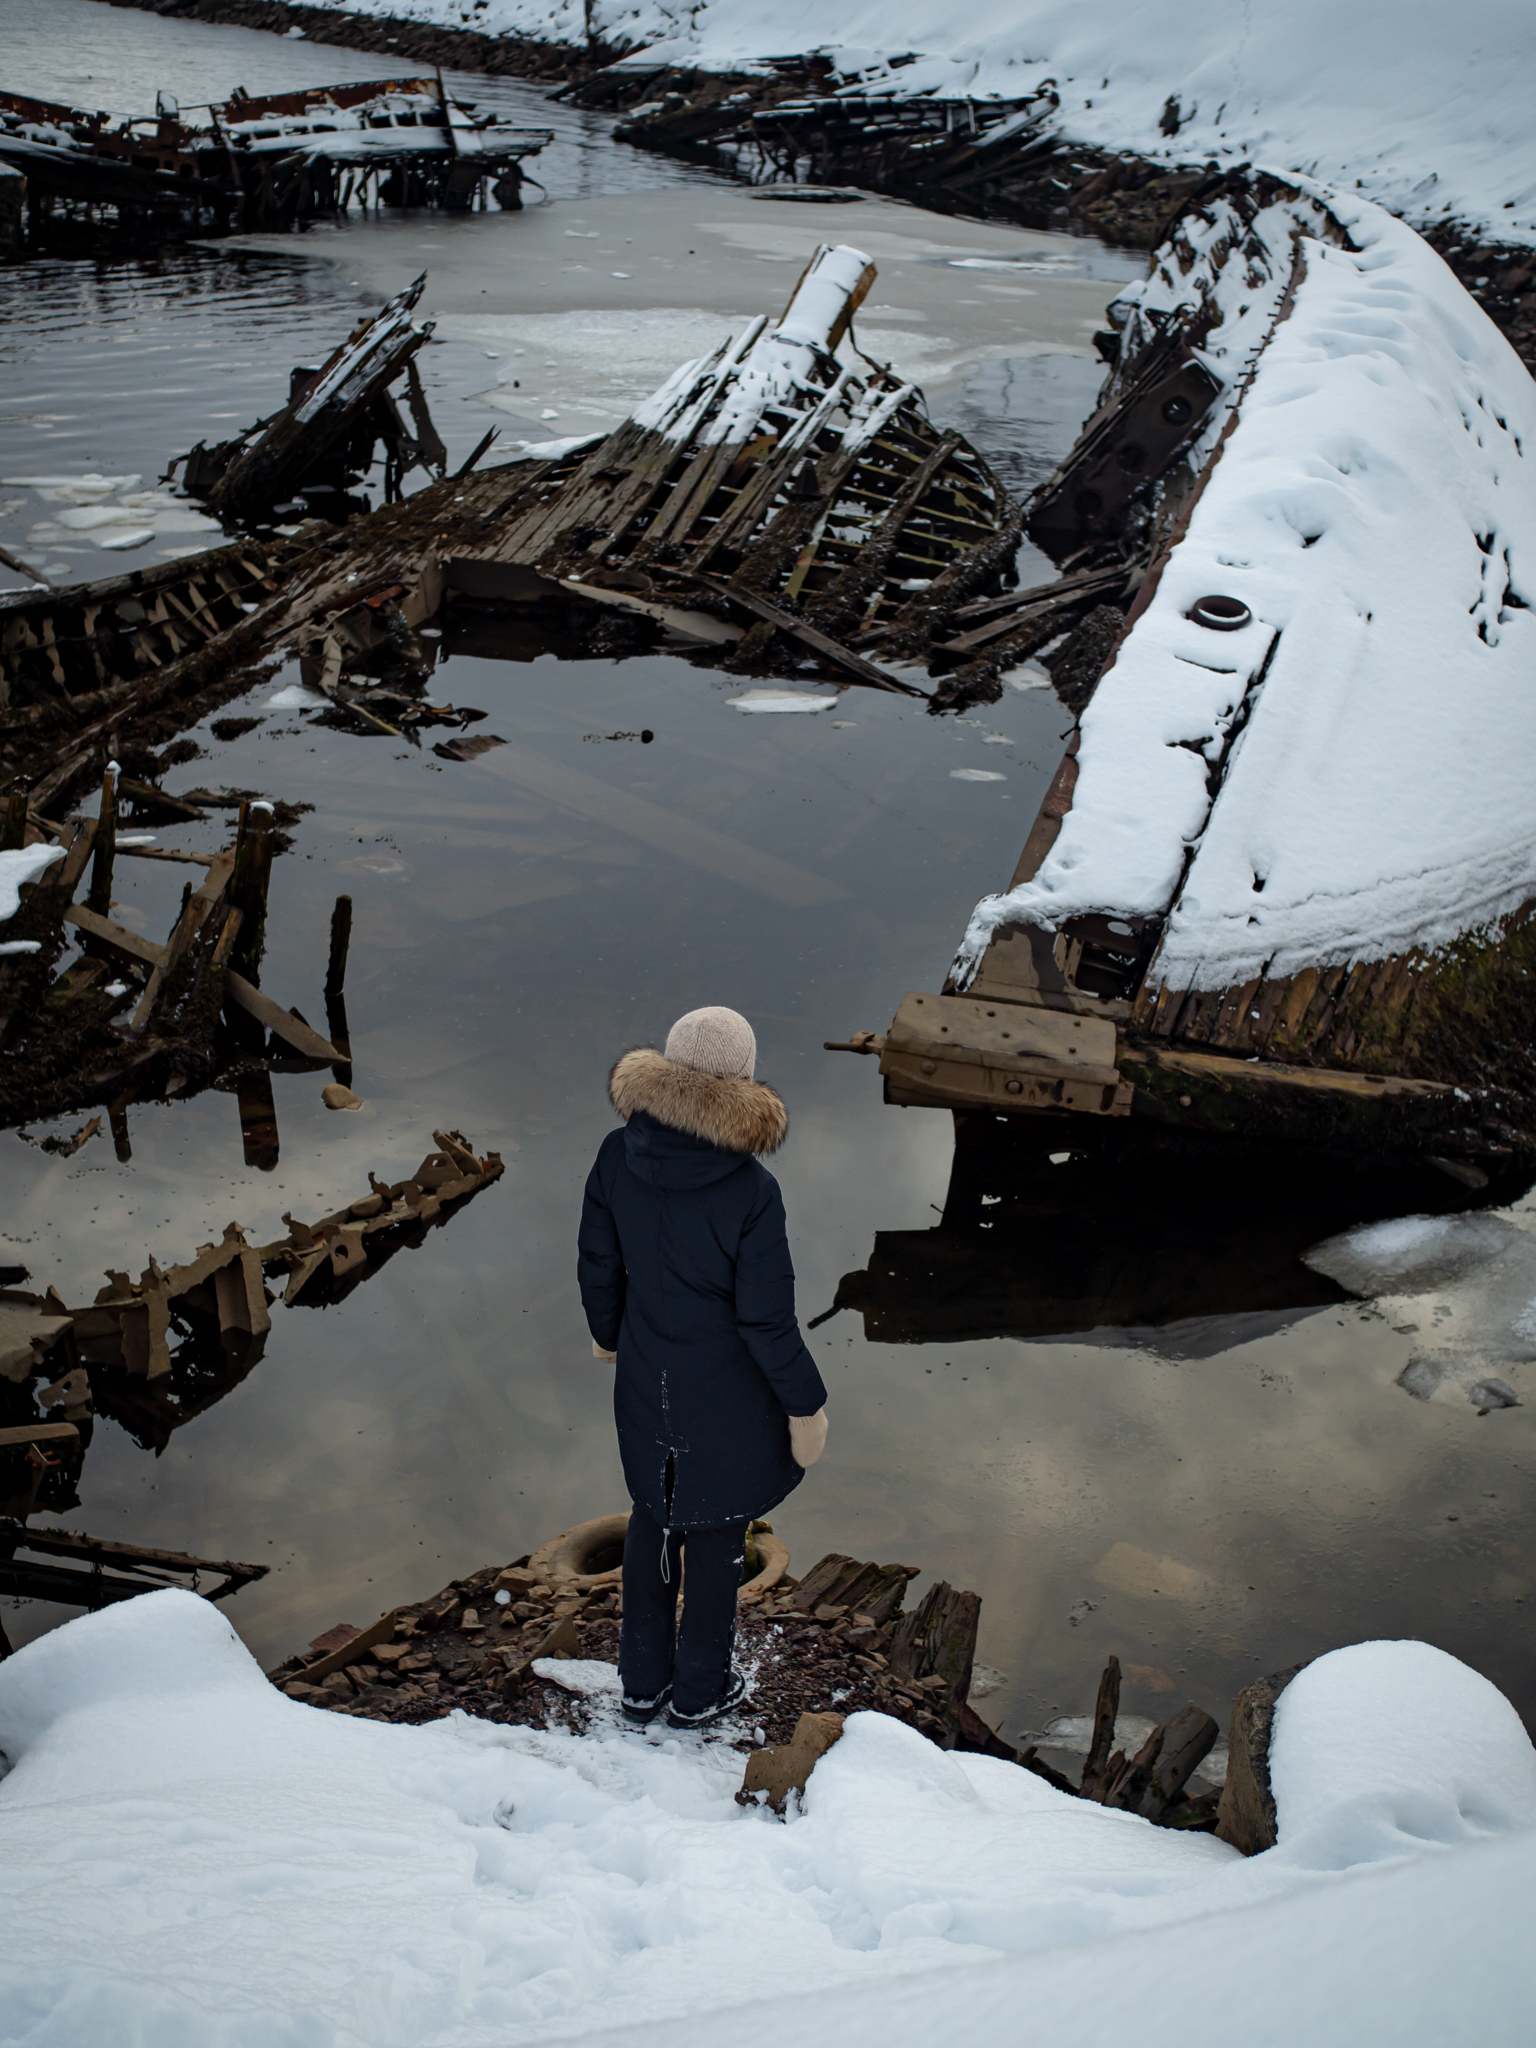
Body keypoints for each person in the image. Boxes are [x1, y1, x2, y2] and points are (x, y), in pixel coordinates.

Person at [578, 1005, 828, 1730]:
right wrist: (804, 1406)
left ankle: (639, 1684)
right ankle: (698, 1693)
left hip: (645, 1377)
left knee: (652, 1519)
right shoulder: (751, 1192)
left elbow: (600, 1263)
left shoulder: (613, 1154)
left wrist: (607, 1337)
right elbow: (765, 1320)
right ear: (741, 1085)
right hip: (725, 1399)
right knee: (716, 1535)